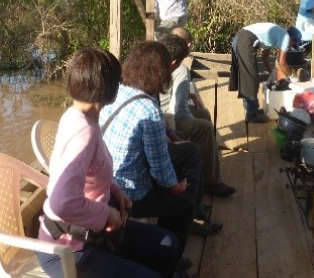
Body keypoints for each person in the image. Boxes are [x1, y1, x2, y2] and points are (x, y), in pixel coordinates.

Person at [37, 48, 180, 278]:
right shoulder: (84, 133)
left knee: (168, 244)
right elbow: (61, 203)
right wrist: (106, 214)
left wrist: (114, 189)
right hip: (68, 251)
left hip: (92, 235)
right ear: (111, 89)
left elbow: (92, 172)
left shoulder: (76, 115)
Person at [100, 42, 196, 267]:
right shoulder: (148, 109)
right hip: (130, 195)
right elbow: (160, 168)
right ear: (161, 72)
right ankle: (171, 260)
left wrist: (172, 137)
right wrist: (177, 188)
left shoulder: (115, 91)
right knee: (185, 203)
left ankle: (160, 240)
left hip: (108, 183)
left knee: (188, 152)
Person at [160, 34, 236, 201]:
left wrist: (190, 95)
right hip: (167, 119)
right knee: (203, 127)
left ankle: (207, 166)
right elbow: (178, 110)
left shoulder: (155, 62)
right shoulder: (181, 70)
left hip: (163, 113)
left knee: (203, 113)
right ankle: (211, 181)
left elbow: (172, 93)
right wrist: (190, 122)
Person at [228, 23, 300, 123]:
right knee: (250, 79)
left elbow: (265, 57)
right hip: (245, 40)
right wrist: (291, 78)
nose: (291, 46)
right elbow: (282, 62)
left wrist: (272, 73)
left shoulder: (276, 35)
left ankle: (252, 109)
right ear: (293, 38)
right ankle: (251, 115)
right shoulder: (285, 36)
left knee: (248, 77)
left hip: (240, 38)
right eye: (293, 43)